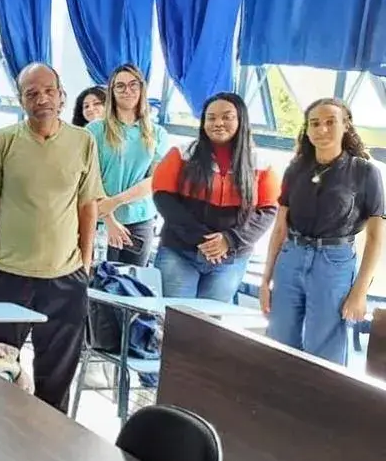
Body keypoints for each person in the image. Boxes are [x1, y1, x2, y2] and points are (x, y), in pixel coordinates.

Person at [0, 63, 103, 413]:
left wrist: (85, 265)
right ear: (21, 100)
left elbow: (87, 207)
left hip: (66, 278)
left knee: (57, 376)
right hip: (9, 275)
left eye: (49, 91)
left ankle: (50, 440)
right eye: (31, 93)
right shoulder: (2, 141)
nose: (41, 99)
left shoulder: (83, 142)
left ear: (62, 96)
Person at [260, 98, 384, 365]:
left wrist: (360, 291)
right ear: (307, 129)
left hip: (334, 263)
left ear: (346, 125)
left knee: (324, 351)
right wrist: (265, 280)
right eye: (315, 123)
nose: (322, 129)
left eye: (330, 122)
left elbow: (376, 238)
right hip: (291, 258)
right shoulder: (296, 169)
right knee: (278, 342)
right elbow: (280, 228)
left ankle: (319, 395)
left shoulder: (365, 172)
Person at [152, 92, 279, 302]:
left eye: (227, 117)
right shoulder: (181, 154)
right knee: (176, 316)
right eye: (211, 118)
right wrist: (204, 240)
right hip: (180, 253)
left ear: (241, 120)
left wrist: (229, 240)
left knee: (211, 320)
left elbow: (268, 211)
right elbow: (163, 197)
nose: (218, 123)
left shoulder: (260, 163)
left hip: (231, 258)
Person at [87, 65, 169, 266]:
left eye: (133, 85)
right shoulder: (94, 130)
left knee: (133, 281)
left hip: (140, 220)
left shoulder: (157, 133)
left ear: (142, 89)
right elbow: (88, 179)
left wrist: (116, 201)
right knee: (96, 279)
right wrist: (109, 219)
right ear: (112, 92)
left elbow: (155, 180)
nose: (127, 91)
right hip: (100, 220)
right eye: (120, 86)